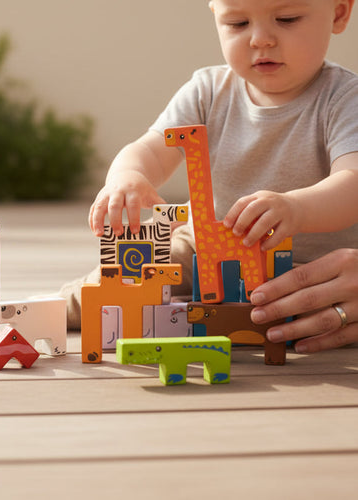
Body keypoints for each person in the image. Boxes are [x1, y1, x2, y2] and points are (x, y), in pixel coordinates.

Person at [59, 0, 358, 351]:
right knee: (124, 280)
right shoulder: (208, 91)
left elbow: (351, 181)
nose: (260, 39)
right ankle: (50, 309)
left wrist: (296, 207)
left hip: (303, 265)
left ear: (339, 14)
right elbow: (152, 148)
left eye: (287, 19)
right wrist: (128, 176)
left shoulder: (343, 99)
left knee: (300, 317)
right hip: (203, 247)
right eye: (237, 23)